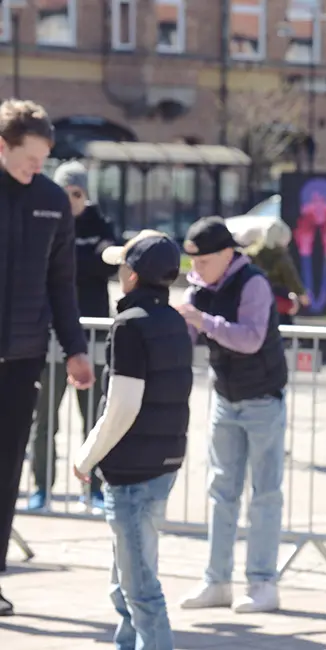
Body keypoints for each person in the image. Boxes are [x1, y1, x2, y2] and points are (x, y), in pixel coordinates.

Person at [73, 230, 193, 650]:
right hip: (164, 460)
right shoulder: (175, 321)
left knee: (139, 585)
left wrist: (86, 457)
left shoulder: (129, 326)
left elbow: (122, 405)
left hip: (130, 469)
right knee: (128, 575)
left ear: (133, 275)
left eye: (122, 266)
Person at [0, 99, 95, 617]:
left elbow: (62, 284)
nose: (36, 169)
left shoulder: (53, 202)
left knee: (6, 473)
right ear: (2, 146)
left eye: (42, 161)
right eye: (28, 160)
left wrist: (76, 350)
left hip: (22, 359)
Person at [176, 217, 289, 614]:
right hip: (225, 397)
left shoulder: (253, 282)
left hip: (262, 399)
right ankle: (217, 581)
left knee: (265, 495)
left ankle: (262, 582)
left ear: (226, 254)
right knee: (221, 492)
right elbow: (189, 335)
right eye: (191, 263)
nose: (195, 271)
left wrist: (201, 321)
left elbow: (251, 337)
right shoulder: (200, 287)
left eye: (202, 262)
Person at [28, 160, 119, 511]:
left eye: (77, 194)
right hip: (50, 337)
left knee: (95, 421)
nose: (71, 201)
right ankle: (41, 488)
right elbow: (41, 264)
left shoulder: (99, 225)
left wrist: (71, 257)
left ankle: (94, 489)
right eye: (65, 193)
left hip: (92, 338)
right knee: (44, 419)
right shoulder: (45, 219)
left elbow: (107, 260)